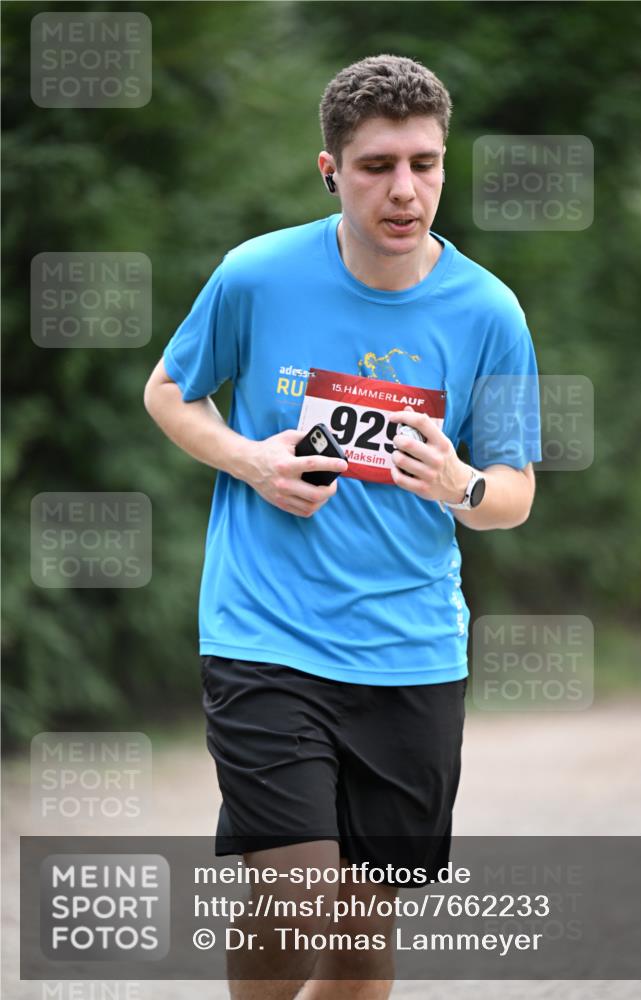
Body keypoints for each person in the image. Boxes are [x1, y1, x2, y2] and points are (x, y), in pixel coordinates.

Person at [144, 53, 541, 1000]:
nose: (404, 190)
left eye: (424, 163)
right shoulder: (256, 276)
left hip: (409, 653)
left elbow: (513, 491)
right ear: (330, 170)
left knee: (360, 947)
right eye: (375, 166)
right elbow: (167, 391)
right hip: (266, 635)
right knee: (295, 902)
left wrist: (458, 484)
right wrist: (253, 460)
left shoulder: (489, 312)